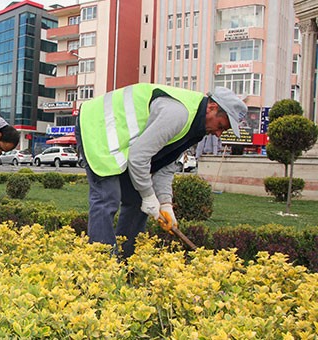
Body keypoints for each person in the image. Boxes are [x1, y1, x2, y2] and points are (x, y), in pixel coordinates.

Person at [75, 84, 246, 257]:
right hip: (98, 126)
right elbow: (138, 157)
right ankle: (103, 266)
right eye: (221, 126)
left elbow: (165, 168)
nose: (218, 134)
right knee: (106, 197)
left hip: (120, 137)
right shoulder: (179, 114)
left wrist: (165, 203)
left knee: (137, 201)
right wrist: (149, 196)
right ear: (212, 107)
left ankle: (127, 262)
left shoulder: (195, 128)